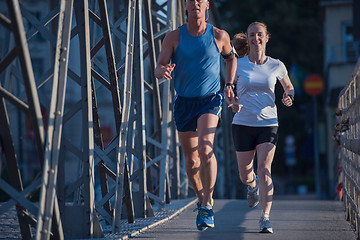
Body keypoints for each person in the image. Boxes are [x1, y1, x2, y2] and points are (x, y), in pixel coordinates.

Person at [154, 0, 236, 231]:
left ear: (207, 5)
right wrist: (162, 71)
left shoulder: (220, 35)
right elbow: (158, 67)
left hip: (210, 100)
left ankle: (208, 204)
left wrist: (229, 84)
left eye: (200, 0)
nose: (196, 4)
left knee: (205, 148)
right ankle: (201, 199)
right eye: (191, 1)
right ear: (186, 7)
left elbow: (231, 58)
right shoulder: (173, 37)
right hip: (184, 103)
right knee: (191, 161)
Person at [229, 22, 294, 233]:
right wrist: (233, 101)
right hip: (242, 123)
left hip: (268, 123)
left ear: (266, 38)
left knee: (265, 170)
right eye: (252, 35)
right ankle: (252, 186)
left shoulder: (276, 65)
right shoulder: (238, 64)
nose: (256, 38)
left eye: (260, 35)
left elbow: (289, 86)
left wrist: (288, 96)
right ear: (246, 39)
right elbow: (228, 89)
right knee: (245, 174)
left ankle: (265, 218)